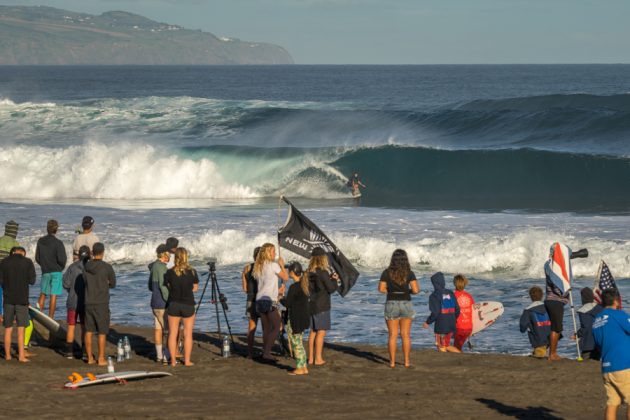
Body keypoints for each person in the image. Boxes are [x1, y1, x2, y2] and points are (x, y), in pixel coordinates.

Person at [592, 288, 630, 420]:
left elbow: (598, 344)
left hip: (607, 367)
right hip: (623, 365)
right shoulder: (618, 315)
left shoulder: (597, 320)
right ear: (616, 301)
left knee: (612, 403)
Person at [378, 249, 419, 368]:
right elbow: (416, 290)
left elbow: (381, 289)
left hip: (391, 302)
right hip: (406, 302)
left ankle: (391, 363)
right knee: (405, 335)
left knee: (392, 335)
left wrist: (391, 291)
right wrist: (407, 291)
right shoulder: (409, 272)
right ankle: (406, 362)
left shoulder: (386, 272)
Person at [252, 243, 288, 362]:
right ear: (268, 253)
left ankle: (265, 351)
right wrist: (282, 265)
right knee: (277, 327)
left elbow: (266, 285)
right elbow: (286, 277)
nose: (275, 254)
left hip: (259, 300)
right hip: (269, 301)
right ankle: (267, 353)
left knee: (266, 328)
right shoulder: (273, 265)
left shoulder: (259, 266)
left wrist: (278, 291)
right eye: (273, 252)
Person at [0, 247, 36, 362]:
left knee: (8, 329)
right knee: (21, 329)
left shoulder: (4, 262)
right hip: (22, 299)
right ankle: (21, 356)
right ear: (23, 253)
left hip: (8, 299)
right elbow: (32, 281)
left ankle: (8, 355)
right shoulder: (27, 262)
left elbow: (1, 281)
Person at [83, 242, 116, 366]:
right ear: (102, 252)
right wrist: (105, 282)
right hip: (101, 302)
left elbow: (85, 281)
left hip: (88, 301)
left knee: (89, 330)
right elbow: (113, 284)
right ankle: (101, 358)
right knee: (102, 331)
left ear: (92, 252)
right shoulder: (107, 267)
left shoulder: (86, 266)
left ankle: (90, 357)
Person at [164, 247, 198, 367]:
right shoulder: (192, 271)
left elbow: (167, 286)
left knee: (173, 333)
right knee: (188, 334)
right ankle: (187, 361)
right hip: (188, 304)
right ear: (185, 257)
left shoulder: (169, 272)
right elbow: (195, 288)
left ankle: (173, 361)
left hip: (174, 304)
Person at [306, 247, 338, 365]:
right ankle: (318, 358)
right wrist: (334, 280)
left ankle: (310, 358)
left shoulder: (309, 272)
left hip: (311, 304)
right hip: (322, 305)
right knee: (321, 332)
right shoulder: (323, 272)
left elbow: (318, 285)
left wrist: (328, 279)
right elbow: (330, 289)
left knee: (313, 331)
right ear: (322, 259)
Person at [62, 245, 90, 359]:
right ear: (89, 255)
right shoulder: (90, 268)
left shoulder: (72, 267)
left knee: (71, 325)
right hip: (85, 302)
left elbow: (66, 284)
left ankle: (69, 352)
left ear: (78, 255)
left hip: (72, 300)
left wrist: (71, 291)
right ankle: (84, 351)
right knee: (84, 327)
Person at [35, 219, 68, 319]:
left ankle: (38, 316)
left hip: (45, 270)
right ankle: (51, 317)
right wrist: (60, 268)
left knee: (43, 293)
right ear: (56, 230)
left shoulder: (40, 241)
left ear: (47, 228)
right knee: (54, 295)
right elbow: (62, 259)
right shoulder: (58, 243)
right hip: (56, 271)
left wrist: (43, 265)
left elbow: (37, 258)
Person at [423, 271, 460, 353]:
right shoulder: (450, 292)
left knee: (441, 346)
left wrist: (427, 322)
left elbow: (435, 313)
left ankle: (448, 362)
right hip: (451, 324)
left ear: (434, 283)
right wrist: (453, 319)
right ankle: (461, 354)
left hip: (441, 326)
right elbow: (457, 309)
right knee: (446, 345)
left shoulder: (434, 295)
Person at [284, 261, 310, 375]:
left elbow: (288, 303)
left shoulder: (294, 287)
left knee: (296, 343)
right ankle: (303, 366)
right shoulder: (304, 285)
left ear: (292, 272)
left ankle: (300, 367)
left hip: (295, 318)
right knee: (299, 342)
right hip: (304, 317)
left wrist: (280, 297)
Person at [544, 253, 571, 362]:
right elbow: (557, 288)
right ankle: (552, 354)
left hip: (551, 301)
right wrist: (567, 291)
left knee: (556, 327)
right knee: (556, 328)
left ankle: (548, 350)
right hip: (555, 301)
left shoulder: (549, 265)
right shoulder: (553, 268)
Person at [149, 244, 170, 363]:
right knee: (167, 330)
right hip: (162, 303)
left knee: (157, 329)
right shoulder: (162, 267)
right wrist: (169, 299)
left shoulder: (153, 266)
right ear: (164, 254)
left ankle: (159, 356)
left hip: (154, 302)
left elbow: (150, 285)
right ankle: (166, 356)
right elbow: (163, 286)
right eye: (168, 254)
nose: (170, 256)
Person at [519, 286, 551, 358]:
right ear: (542, 296)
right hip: (551, 339)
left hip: (538, 341)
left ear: (530, 296)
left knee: (540, 355)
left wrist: (523, 329)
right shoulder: (548, 307)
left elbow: (523, 325)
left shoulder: (528, 310)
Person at [241, 246, 261, 358]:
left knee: (251, 327)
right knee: (266, 327)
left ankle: (250, 353)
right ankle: (266, 352)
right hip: (262, 300)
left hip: (250, 299)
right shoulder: (264, 269)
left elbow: (245, 289)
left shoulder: (247, 268)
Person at [574, 287, 603, 361]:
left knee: (585, 359)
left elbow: (585, 326)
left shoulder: (583, 311)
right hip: (599, 340)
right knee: (597, 359)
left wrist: (577, 334)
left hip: (588, 342)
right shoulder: (600, 308)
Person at [0, 220, 20, 323]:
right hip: (9, 273)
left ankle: (0, 315)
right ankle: (10, 316)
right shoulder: (15, 244)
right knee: (9, 295)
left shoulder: (0, 240)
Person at [453, 274, 474, 351]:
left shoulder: (453, 296)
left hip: (458, 328)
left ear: (454, 283)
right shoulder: (469, 296)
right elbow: (473, 311)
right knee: (458, 346)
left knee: (455, 348)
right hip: (469, 328)